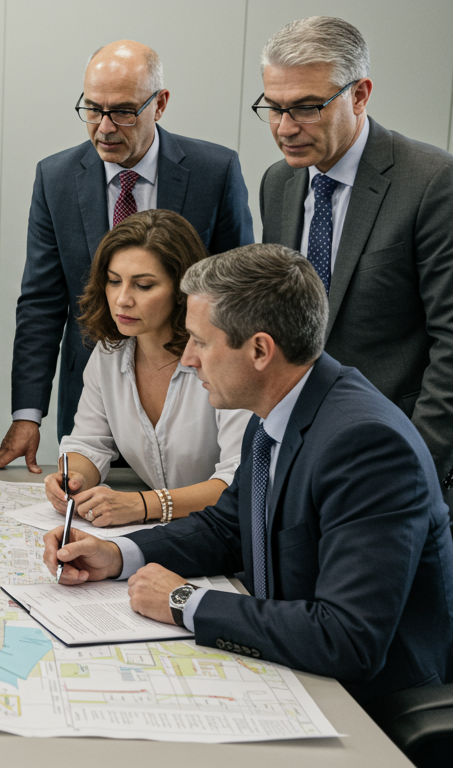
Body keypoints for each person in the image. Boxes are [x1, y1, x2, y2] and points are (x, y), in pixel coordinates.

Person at [47, 244, 453, 706]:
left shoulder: (365, 446)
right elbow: (229, 528)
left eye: (200, 341)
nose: (187, 360)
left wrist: (184, 603)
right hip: (290, 670)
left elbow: (348, 639)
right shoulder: (274, 411)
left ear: (260, 350)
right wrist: (116, 554)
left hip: (369, 706)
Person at [0, 40, 253, 474]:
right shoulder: (56, 178)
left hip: (195, 397)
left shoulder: (213, 171)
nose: (105, 127)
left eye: (124, 111)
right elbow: (42, 302)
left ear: (159, 104)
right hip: (94, 394)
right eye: (93, 109)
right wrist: (27, 415)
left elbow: (237, 296)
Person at [253, 16, 453, 501]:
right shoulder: (278, 183)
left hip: (395, 453)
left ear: (359, 95)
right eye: (274, 108)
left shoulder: (431, 182)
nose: (284, 128)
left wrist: (413, 463)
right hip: (301, 453)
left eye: (305, 108)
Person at [45, 210, 247, 526]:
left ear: (182, 292)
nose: (122, 300)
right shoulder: (110, 352)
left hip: (230, 532)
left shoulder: (224, 356)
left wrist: (142, 504)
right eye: (113, 281)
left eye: (143, 285)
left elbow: (239, 480)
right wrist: (71, 479)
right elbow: (89, 442)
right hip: (169, 532)